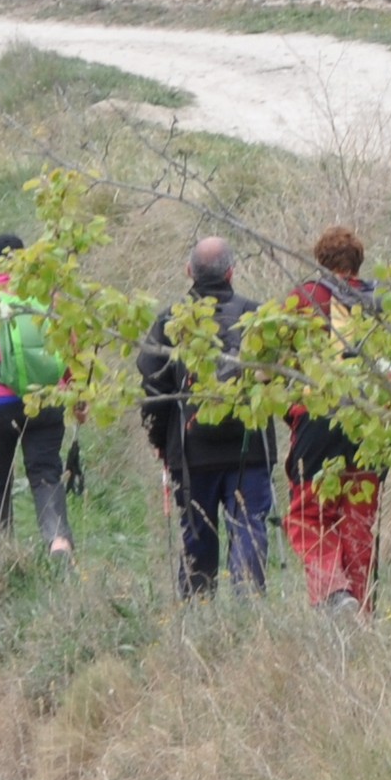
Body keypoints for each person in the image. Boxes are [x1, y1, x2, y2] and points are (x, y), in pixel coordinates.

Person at [137, 236, 274, 597]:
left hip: (190, 451)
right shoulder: (256, 317)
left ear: (189, 271)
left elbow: (153, 388)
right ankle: (249, 609)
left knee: (197, 535)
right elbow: (279, 381)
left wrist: (159, 441)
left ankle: (198, 610)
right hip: (250, 449)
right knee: (249, 529)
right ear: (231, 272)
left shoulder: (170, 321)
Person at [281, 224, 381, 609]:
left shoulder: (303, 298)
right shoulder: (379, 302)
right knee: (359, 521)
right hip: (369, 423)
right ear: (358, 262)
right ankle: (359, 610)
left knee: (309, 515)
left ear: (320, 260)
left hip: (317, 419)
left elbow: (276, 365)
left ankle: (333, 593)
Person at [0, 231, 74, 556]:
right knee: (45, 472)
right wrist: (77, 395)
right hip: (46, 399)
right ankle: (58, 540)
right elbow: (71, 352)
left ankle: (3, 550)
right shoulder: (48, 301)